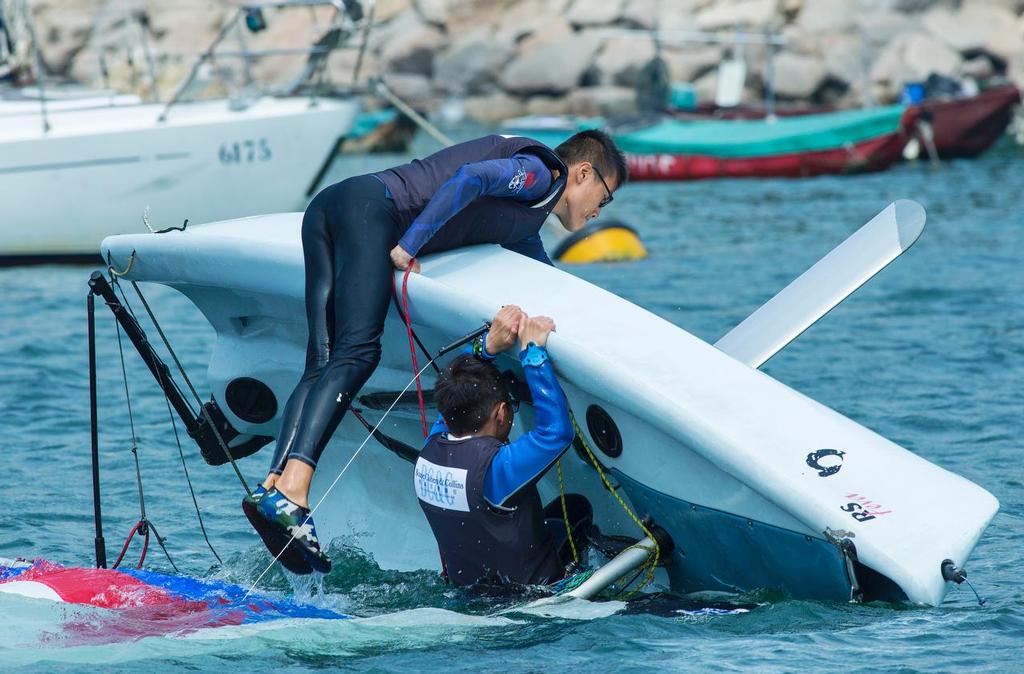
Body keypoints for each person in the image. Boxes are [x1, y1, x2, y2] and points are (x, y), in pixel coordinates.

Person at [245, 130, 626, 574]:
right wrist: (411, 246)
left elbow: (543, 274)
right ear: (583, 173)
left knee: (323, 361)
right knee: (358, 352)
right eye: (606, 194)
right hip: (372, 210)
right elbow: (471, 178)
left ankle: (274, 486)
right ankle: (294, 491)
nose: (601, 209)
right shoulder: (542, 175)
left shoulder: (526, 222)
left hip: (333, 206)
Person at [415, 305, 591, 588]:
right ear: (500, 413)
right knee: (578, 509)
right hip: (538, 602)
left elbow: (453, 396)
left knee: (567, 510)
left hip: (470, 595)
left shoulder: (428, 452)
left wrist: (485, 348)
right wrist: (533, 354)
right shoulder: (494, 473)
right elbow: (555, 433)